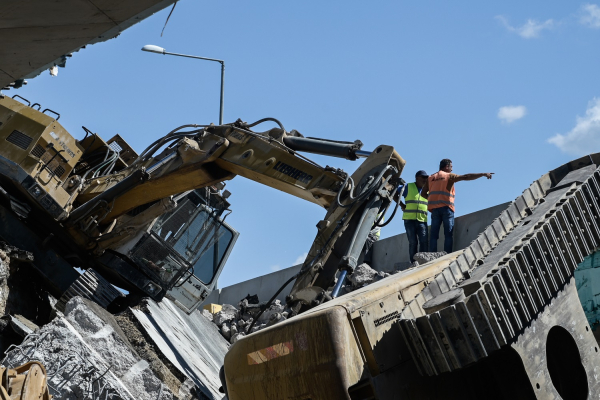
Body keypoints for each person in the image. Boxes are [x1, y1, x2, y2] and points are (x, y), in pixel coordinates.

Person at [423, 159, 493, 253]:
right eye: (451, 167)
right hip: (447, 208)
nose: (452, 169)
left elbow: (423, 193)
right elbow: (466, 177)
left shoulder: (430, 178)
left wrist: (433, 199)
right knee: (448, 234)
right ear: (446, 166)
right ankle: (446, 254)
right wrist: (483, 174)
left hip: (435, 210)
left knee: (434, 235)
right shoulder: (449, 176)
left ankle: (431, 255)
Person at [399, 170, 429, 262]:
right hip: (409, 220)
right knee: (413, 242)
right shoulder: (408, 187)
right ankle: (414, 262)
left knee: (424, 241)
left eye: (426, 178)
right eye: (423, 177)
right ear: (417, 178)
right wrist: (401, 205)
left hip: (422, 220)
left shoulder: (427, 189)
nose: (425, 179)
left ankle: (423, 261)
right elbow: (394, 193)